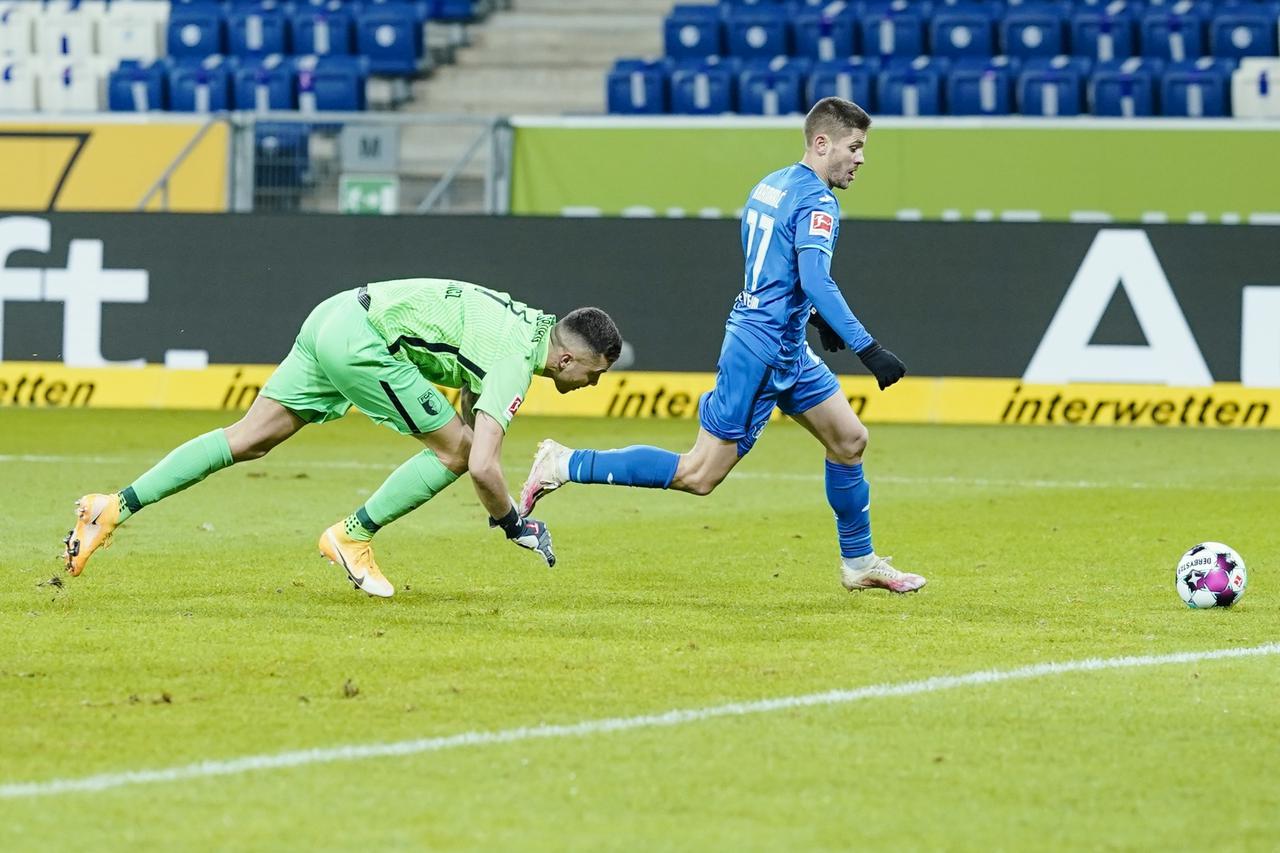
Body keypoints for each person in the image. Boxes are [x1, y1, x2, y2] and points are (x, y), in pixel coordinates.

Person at [519, 97, 925, 594]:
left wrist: (813, 318)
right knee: (699, 474)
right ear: (822, 144)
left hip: (786, 343)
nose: (861, 158)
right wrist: (868, 347)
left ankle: (859, 562)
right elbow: (815, 277)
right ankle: (563, 463)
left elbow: (774, 272)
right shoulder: (818, 202)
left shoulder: (771, 185)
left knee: (849, 440)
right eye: (854, 147)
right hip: (759, 351)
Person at [62, 278, 622, 597]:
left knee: (249, 437)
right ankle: (351, 537)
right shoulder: (514, 362)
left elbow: (474, 402)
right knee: (454, 451)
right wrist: (512, 525)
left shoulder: (524, 323)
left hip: (333, 314)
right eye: (592, 374)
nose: (591, 385)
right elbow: (481, 464)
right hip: (362, 342)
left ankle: (111, 506)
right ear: (568, 357)